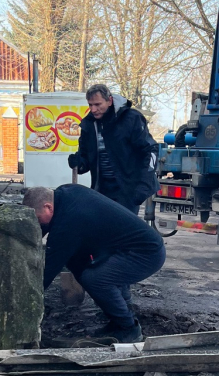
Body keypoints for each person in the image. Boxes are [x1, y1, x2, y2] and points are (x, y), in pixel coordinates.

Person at [23, 183, 166, 342]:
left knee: (96, 279)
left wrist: (27, 298)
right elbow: (52, 234)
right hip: (121, 249)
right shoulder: (66, 194)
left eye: (37, 219)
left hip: (145, 254)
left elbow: (50, 266)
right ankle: (118, 317)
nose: (38, 224)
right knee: (77, 262)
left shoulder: (69, 220)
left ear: (48, 207)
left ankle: (129, 328)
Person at [68, 83, 158, 213]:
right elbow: (85, 161)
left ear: (109, 101)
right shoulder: (88, 124)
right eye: (90, 105)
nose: (93, 109)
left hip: (128, 190)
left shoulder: (131, 119)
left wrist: (143, 185)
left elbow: (151, 151)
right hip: (101, 190)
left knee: (125, 231)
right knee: (102, 231)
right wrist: (78, 163)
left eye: (98, 104)